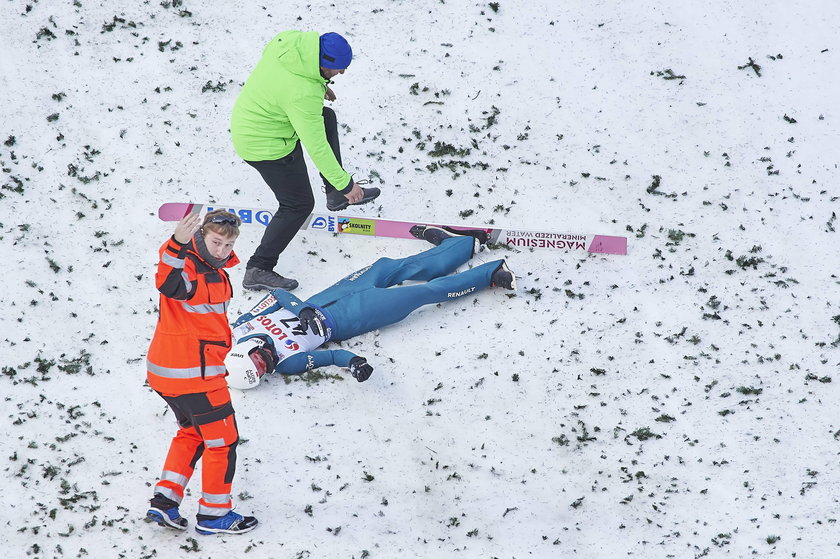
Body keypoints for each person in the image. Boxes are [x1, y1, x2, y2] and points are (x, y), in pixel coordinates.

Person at [223, 226, 516, 389]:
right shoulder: (286, 363)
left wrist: (300, 309)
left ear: (244, 352)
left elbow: (276, 297)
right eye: (264, 371)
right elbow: (333, 356)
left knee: (390, 267)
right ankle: (490, 274)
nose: (268, 363)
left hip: (334, 294)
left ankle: (460, 245)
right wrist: (354, 363)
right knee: (420, 294)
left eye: (259, 362)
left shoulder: (243, 326)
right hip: (351, 317)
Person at [230, 30, 381, 292]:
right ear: (322, 63)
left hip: (256, 117)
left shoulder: (289, 43)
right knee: (298, 204)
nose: (341, 74)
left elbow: (287, 80)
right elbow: (317, 147)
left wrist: (320, 86)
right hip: (263, 144)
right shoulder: (301, 95)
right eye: (337, 69)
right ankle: (259, 268)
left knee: (326, 118)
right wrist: (347, 185)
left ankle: (334, 196)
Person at [145, 210, 258, 535]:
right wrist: (176, 244)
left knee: (192, 433)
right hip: (196, 375)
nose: (222, 250)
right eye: (216, 242)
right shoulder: (189, 265)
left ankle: (165, 502)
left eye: (228, 244)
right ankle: (214, 515)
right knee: (223, 442)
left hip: (168, 374)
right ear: (200, 237)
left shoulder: (212, 268)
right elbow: (168, 281)